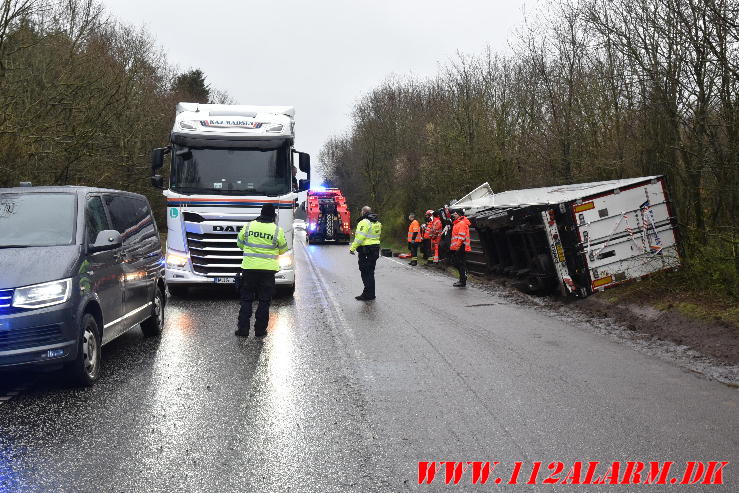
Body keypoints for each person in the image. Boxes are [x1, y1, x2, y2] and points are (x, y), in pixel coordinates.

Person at [235, 203, 288, 337]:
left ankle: (243, 331)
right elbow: (283, 249)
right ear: (273, 216)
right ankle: (260, 331)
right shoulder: (277, 230)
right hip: (268, 272)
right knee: (264, 301)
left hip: (249, 269)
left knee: (246, 300)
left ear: (261, 213)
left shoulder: (248, 226)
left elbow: (239, 244)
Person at [349, 205, 382, 301]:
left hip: (366, 250)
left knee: (365, 272)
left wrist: (352, 248)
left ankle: (367, 294)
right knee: (370, 272)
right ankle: (371, 294)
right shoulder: (377, 222)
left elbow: (360, 237)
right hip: (375, 249)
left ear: (363, 212)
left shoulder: (364, 222)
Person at [449, 209, 471, 287]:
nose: (453, 215)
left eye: (455, 214)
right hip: (458, 247)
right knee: (458, 263)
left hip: (461, 247)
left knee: (460, 263)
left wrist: (457, 247)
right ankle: (462, 278)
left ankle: (463, 280)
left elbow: (461, 236)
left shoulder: (461, 223)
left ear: (459, 215)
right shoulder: (457, 223)